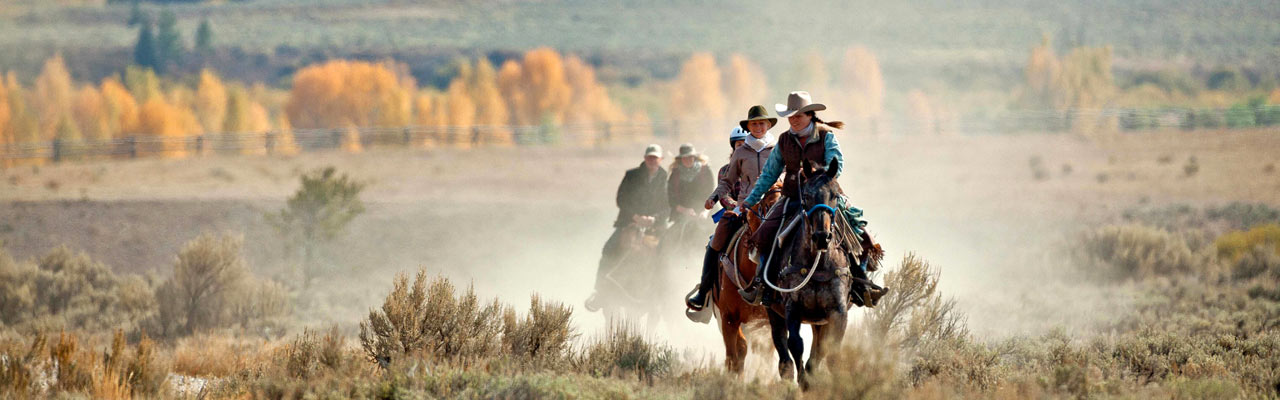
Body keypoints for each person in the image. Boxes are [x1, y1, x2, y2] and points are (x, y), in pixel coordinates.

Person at [735, 91, 887, 307]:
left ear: (810, 115)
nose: (794, 120)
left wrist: (817, 177)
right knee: (763, 235)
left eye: (799, 115)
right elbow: (769, 174)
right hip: (792, 197)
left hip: (824, 196)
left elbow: (837, 164)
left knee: (861, 234)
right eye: (791, 116)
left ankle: (862, 284)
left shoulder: (826, 136)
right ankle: (762, 285)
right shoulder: (784, 140)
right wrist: (749, 201)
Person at [686, 106, 777, 311]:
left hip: (774, 206)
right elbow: (727, 182)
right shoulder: (742, 152)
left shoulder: (777, 149)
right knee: (715, 242)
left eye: (762, 123)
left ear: (768, 125)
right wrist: (714, 197)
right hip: (746, 207)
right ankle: (704, 292)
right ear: (749, 126)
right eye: (754, 123)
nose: (758, 127)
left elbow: (790, 173)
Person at [586, 144, 669, 310]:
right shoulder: (631, 175)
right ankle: (600, 291)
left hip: (655, 226)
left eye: (655, 158)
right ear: (645, 158)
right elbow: (621, 199)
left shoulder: (667, 178)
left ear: (661, 159)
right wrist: (635, 216)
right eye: (649, 157)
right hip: (629, 222)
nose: (652, 160)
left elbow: (669, 204)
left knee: (668, 254)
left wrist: (654, 219)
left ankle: (666, 295)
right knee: (608, 249)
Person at [666, 143, 713, 226]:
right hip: (682, 212)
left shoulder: (705, 171)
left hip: (706, 209)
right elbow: (671, 200)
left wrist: (705, 212)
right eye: (685, 158)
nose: (688, 160)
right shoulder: (675, 175)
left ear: (694, 157)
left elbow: (712, 194)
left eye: (690, 157)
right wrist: (684, 210)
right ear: (681, 159)